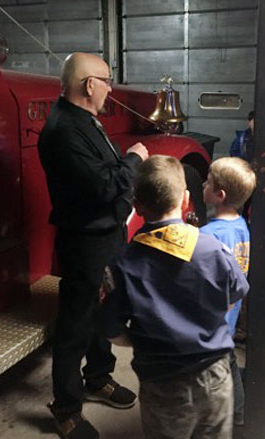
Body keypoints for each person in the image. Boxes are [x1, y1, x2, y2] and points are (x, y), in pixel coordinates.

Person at [38, 52, 148, 439]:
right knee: (76, 324)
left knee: (105, 311)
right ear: (89, 85)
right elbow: (104, 184)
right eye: (107, 81)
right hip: (85, 243)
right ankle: (66, 409)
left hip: (107, 234)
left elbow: (105, 176)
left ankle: (98, 377)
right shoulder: (64, 131)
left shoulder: (86, 121)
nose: (110, 89)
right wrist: (133, 159)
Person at [99, 155, 249, 439]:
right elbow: (233, 299)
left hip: (162, 382)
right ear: (186, 199)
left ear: (136, 206)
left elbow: (111, 331)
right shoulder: (213, 249)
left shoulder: (123, 264)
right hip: (216, 375)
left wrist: (141, 339)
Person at [200, 157, 257, 426]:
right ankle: (238, 414)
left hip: (210, 323)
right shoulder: (242, 226)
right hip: (228, 319)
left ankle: (229, 418)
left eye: (207, 182)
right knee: (228, 359)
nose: (203, 184)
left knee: (216, 372)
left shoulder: (208, 235)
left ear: (219, 195)